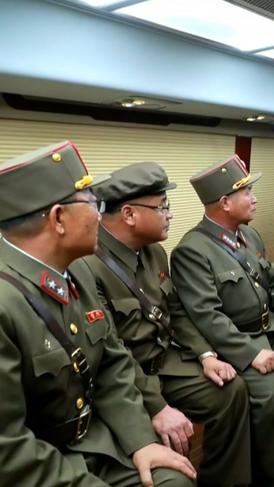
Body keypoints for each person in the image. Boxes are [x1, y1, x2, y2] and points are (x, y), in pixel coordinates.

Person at [0, 141, 196, 487]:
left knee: (173, 479)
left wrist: (141, 441)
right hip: (41, 460)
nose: (99, 214)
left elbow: (112, 365)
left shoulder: (75, 273)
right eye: (92, 202)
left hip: (96, 440)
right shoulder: (7, 302)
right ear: (59, 218)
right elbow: (9, 448)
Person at [81, 162, 252, 487]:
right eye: (162, 208)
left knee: (233, 391)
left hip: (165, 362)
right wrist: (157, 406)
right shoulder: (88, 266)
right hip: (128, 377)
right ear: (129, 214)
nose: (170, 215)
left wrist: (205, 355)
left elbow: (177, 311)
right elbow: (110, 352)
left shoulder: (155, 252)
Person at [170, 155, 274, 487]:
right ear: (225, 202)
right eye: (246, 192)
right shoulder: (191, 251)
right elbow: (206, 315)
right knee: (270, 393)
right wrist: (251, 354)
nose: (254, 198)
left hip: (271, 329)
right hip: (238, 342)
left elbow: (273, 285)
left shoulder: (249, 237)